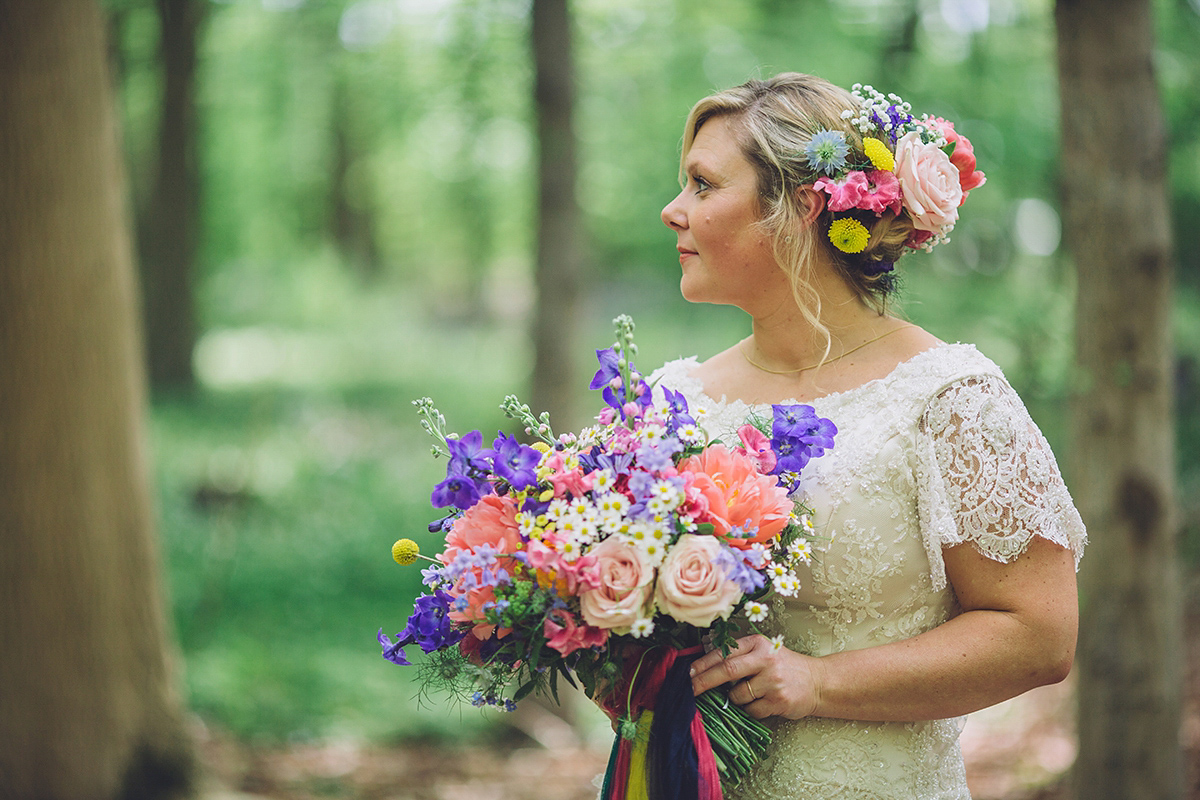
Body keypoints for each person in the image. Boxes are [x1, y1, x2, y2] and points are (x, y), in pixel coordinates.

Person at [653, 73, 1087, 799]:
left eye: (702, 184)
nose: (673, 211)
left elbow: (1039, 636)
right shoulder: (670, 402)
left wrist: (818, 682)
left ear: (798, 207)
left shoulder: (947, 399)